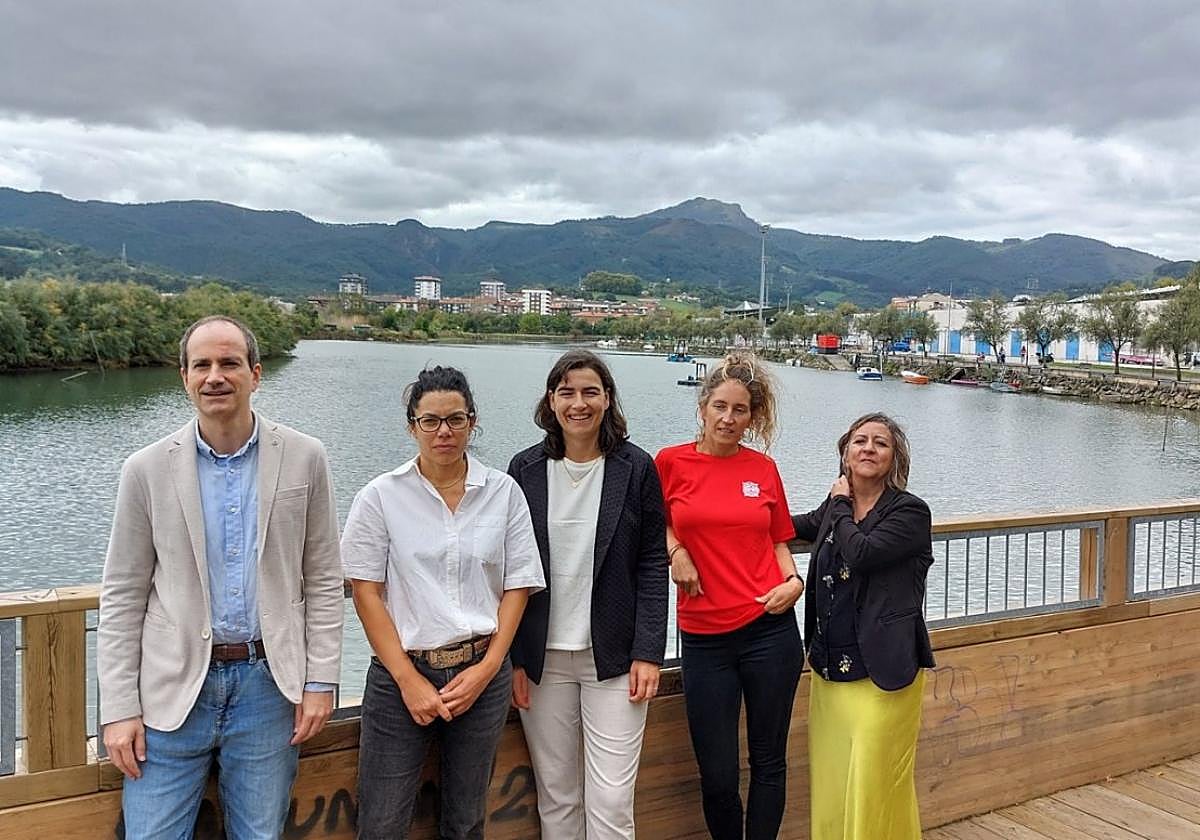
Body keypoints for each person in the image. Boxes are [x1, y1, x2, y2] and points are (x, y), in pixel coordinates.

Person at [98, 315, 344, 839]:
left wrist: (320, 680)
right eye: (202, 364)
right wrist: (119, 708)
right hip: (170, 692)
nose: (216, 376)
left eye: (229, 363)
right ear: (183, 377)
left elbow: (323, 577)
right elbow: (122, 595)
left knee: (260, 834)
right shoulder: (145, 469)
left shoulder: (306, 457)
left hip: (268, 688)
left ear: (256, 373)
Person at [341, 365, 545, 839]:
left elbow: (518, 586)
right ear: (412, 426)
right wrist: (408, 679)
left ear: (472, 422)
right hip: (401, 677)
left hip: (482, 669)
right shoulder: (380, 497)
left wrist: (489, 666)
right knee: (382, 821)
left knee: (466, 818)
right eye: (430, 421)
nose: (444, 432)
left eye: (455, 419)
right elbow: (366, 591)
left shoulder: (503, 493)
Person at [508, 349, 669, 839]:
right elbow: (509, 568)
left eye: (590, 392)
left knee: (613, 801)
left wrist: (649, 652)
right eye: (567, 392)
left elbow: (651, 563)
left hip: (615, 658)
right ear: (551, 401)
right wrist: (515, 656)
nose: (579, 403)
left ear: (607, 399)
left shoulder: (636, 468)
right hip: (543, 659)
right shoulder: (525, 469)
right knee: (557, 796)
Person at [654, 353, 804, 840]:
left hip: (771, 630)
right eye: (720, 406)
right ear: (702, 407)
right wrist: (676, 550)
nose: (728, 418)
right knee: (717, 774)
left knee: (768, 762)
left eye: (740, 410)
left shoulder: (763, 468)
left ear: (752, 417)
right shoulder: (670, 463)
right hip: (705, 638)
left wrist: (795, 583)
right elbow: (654, 524)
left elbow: (777, 539)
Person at [791, 412, 935, 840]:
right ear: (845, 452)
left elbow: (863, 553)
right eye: (860, 441)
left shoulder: (909, 512)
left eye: (880, 443)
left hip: (884, 672)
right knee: (834, 780)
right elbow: (788, 527)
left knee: (874, 784)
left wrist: (837, 505)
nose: (868, 448)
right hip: (831, 669)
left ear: (895, 458)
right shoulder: (837, 509)